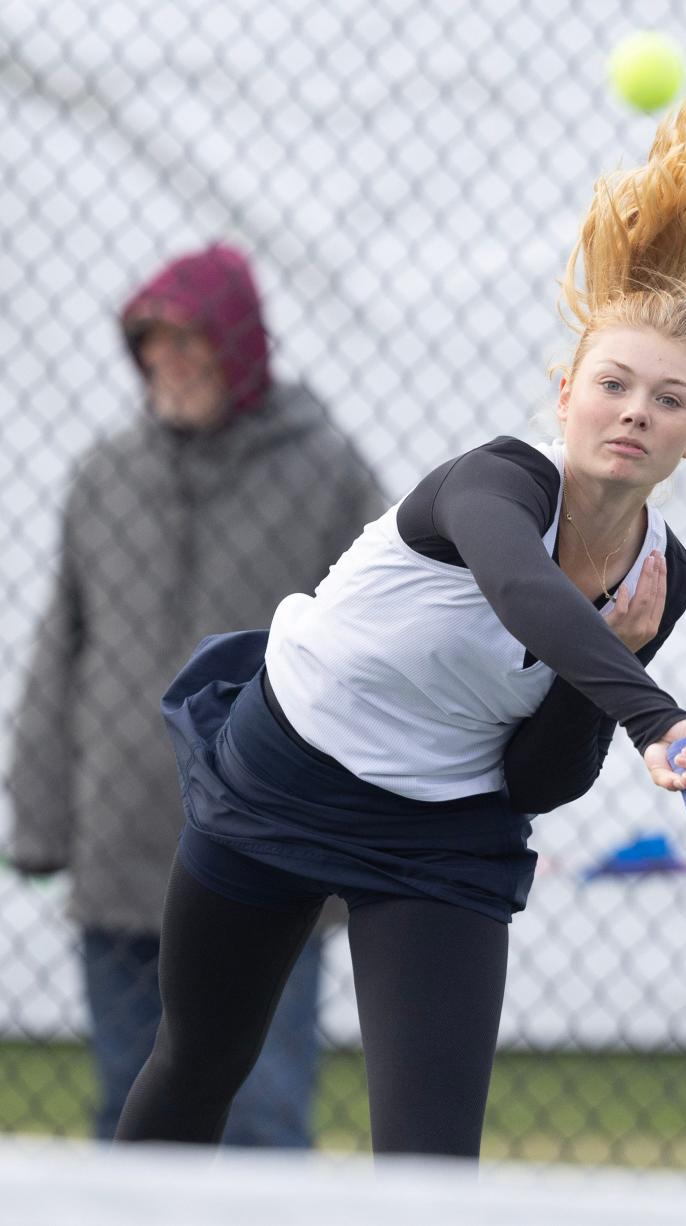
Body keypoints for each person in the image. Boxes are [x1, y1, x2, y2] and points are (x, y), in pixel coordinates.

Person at [113, 90, 686, 1158]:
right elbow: (523, 593)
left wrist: (619, 670)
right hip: (285, 765)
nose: (635, 409)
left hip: (438, 830)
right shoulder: (492, 484)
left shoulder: (659, 579)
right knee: (199, 1063)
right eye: (614, 383)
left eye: (667, 400)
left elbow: (533, 777)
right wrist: (650, 712)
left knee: (433, 1157)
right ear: (566, 392)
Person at [7, 242, 385, 1145]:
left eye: (190, 342)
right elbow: (62, 647)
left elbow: (380, 650)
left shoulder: (327, 472)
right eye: (152, 344)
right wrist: (38, 822)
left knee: (258, 1115)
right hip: (122, 851)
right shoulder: (106, 476)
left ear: (239, 346)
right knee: (127, 1115)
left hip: (268, 858)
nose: (168, 364)